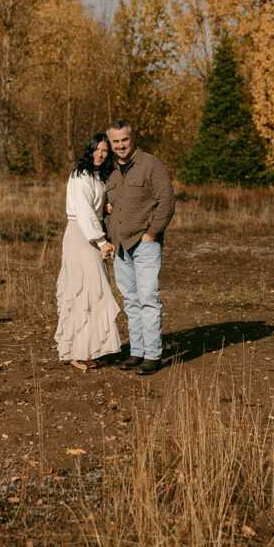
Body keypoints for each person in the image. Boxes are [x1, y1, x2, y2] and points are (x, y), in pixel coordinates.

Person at [105, 120, 175, 375]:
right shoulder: (110, 172)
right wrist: (109, 233)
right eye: (116, 141)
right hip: (120, 246)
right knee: (131, 301)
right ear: (110, 143)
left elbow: (166, 202)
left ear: (132, 138)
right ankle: (137, 352)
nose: (121, 145)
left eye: (124, 139)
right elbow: (107, 207)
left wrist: (151, 233)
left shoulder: (151, 165)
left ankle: (153, 355)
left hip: (144, 244)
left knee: (148, 299)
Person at [55, 133, 122, 371]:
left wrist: (105, 206)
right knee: (83, 290)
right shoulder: (80, 175)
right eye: (97, 150)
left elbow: (94, 206)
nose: (101, 154)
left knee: (94, 292)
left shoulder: (98, 177)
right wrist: (101, 241)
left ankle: (89, 349)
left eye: (105, 151)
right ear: (90, 150)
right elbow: (83, 212)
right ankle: (75, 351)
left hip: (92, 232)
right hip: (80, 234)